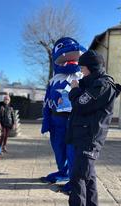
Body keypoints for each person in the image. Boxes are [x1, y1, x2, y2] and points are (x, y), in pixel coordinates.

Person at [60, 50, 121, 206]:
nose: (81, 72)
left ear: (91, 68)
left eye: (83, 68)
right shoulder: (92, 83)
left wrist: (74, 90)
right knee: (88, 176)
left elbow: (81, 104)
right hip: (84, 136)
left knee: (78, 177)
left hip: (90, 138)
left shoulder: (103, 85)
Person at [41, 37, 86, 194]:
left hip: (72, 121)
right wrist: (46, 122)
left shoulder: (82, 78)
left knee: (72, 151)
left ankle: (73, 180)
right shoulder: (53, 81)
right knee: (58, 149)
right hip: (56, 121)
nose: (70, 62)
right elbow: (46, 102)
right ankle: (63, 172)